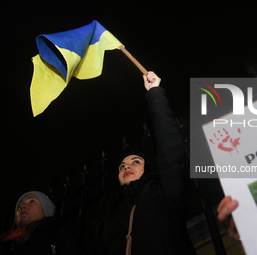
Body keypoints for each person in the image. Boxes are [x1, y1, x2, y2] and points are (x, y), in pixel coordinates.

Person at [95, 72, 196, 255]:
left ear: (147, 168)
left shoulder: (164, 191)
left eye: (135, 161)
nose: (126, 167)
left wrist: (154, 94)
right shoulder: (110, 216)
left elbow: (170, 147)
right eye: (122, 166)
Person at [0, 191, 85, 255]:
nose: (22, 206)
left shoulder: (58, 234)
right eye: (19, 206)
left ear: (45, 210)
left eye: (32, 201)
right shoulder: (7, 243)